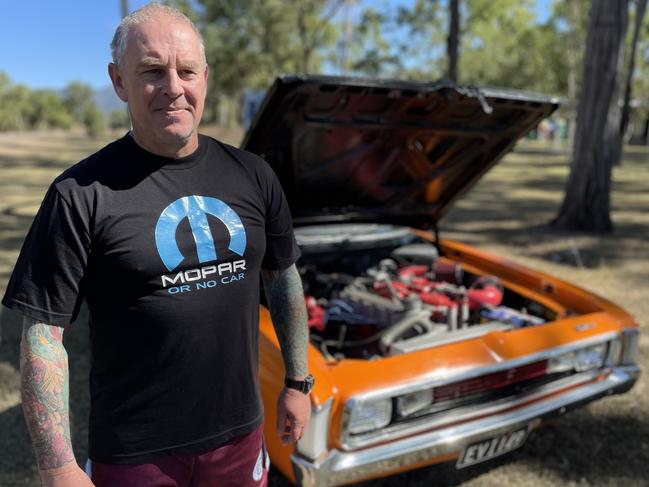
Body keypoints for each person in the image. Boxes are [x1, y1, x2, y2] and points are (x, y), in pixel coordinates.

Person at [2, 3, 311, 486]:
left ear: (204, 77)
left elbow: (283, 277)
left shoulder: (253, 175)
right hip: (134, 454)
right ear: (119, 81)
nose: (173, 87)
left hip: (240, 437)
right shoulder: (80, 194)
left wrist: (296, 381)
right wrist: (56, 464)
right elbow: (44, 336)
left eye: (186, 70)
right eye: (151, 71)